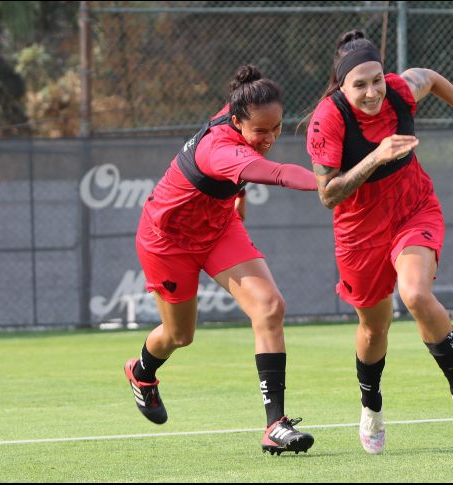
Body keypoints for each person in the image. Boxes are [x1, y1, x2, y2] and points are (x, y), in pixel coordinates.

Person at [305, 30, 453, 454]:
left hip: (413, 209)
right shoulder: (327, 120)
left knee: (415, 293)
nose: (372, 92)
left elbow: (432, 78)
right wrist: (375, 156)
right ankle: (371, 406)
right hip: (359, 232)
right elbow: (328, 194)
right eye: (360, 85)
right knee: (374, 327)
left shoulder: (400, 90)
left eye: (376, 80)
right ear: (341, 85)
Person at [125, 65, 316, 456]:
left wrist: (238, 195)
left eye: (277, 127)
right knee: (180, 335)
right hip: (167, 241)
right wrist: (333, 180)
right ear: (235, 121)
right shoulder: (220, 148)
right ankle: (142, 372)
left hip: (216, 230)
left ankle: (275, 425)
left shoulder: (242, 105)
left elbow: (248, 157)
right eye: (260, 131)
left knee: (269, 307)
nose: (270, 137)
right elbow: (276, 173)